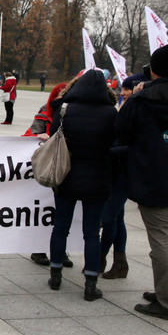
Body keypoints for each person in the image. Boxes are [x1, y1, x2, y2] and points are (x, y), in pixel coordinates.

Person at [116, 43, 168, 322]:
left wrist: (136, 98)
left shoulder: (145, 99)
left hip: (154, 177)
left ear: (155, 69)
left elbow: (122, 130)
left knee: (161, 241)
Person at [39, 70, 117, 301]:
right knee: (92, 232)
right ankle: (91, 283)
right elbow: (117, 141)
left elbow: (53, 135)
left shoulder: (66, 110)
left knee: (60, 226)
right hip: (98, 178)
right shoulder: (111, 113)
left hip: (67, 175)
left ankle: (55, 274)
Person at [99, 73, 146, 279]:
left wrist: (106, 150)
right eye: (125, 89)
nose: (124, 92)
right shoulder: (129, 107)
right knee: (118, 217)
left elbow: (135, 145)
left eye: (128, 89)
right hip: (118, 170)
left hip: (124, 172)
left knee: (109, 217)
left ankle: (100, 256)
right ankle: (120, 262)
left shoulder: (138, 109)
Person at [24, 82, 75, 268]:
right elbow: (30, 133)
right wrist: (38, 137)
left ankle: (61, 250)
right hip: (46, 169)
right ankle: (39, 249)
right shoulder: (45, 112)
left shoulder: (73, 112)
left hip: (64, 168)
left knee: (58, 215)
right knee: (43, 212)